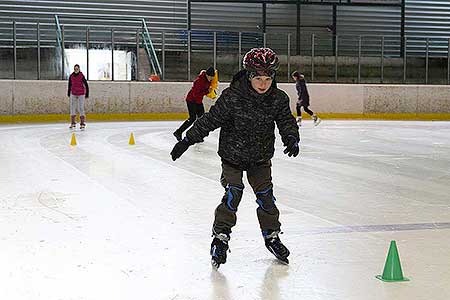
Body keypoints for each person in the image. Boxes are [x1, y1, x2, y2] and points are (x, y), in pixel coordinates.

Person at [170, 48, 300, 268]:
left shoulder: (278, 99)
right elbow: (210, 120)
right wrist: (187, 140)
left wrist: (291, 138)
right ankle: (220, 236)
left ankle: (272, 236)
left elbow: (286, 121)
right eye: (258, 78)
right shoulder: (232, 97)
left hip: (260, 158)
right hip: (232, 156)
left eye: (268, 78)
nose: (263, 83)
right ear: (249, 76)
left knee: (266, 196)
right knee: (234, 193)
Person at [173, 67, 216, 141]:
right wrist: (207, 92)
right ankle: (178, 132)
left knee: (202, 118)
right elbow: (195, 94)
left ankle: (197, 135)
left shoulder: (208, 80)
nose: (212, 79)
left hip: (198, 101)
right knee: (192, 118)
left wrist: (211, 92)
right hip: (191, 100)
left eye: (213, 77)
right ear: (207, 75)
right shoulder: (199, 81)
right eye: (211, 77)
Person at [67, 64, 89, 130]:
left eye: (77, 69)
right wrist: (68, 92)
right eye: (75, 69)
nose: (76, 70)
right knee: (72, 107)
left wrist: (87, 93)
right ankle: (73, 123)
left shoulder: (81, 76)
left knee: (81, 108)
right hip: (73, 93)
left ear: (79, 69)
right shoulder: (71, 76)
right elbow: (69, 85)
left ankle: (82, 123)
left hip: (81, 93)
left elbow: (86, 85)